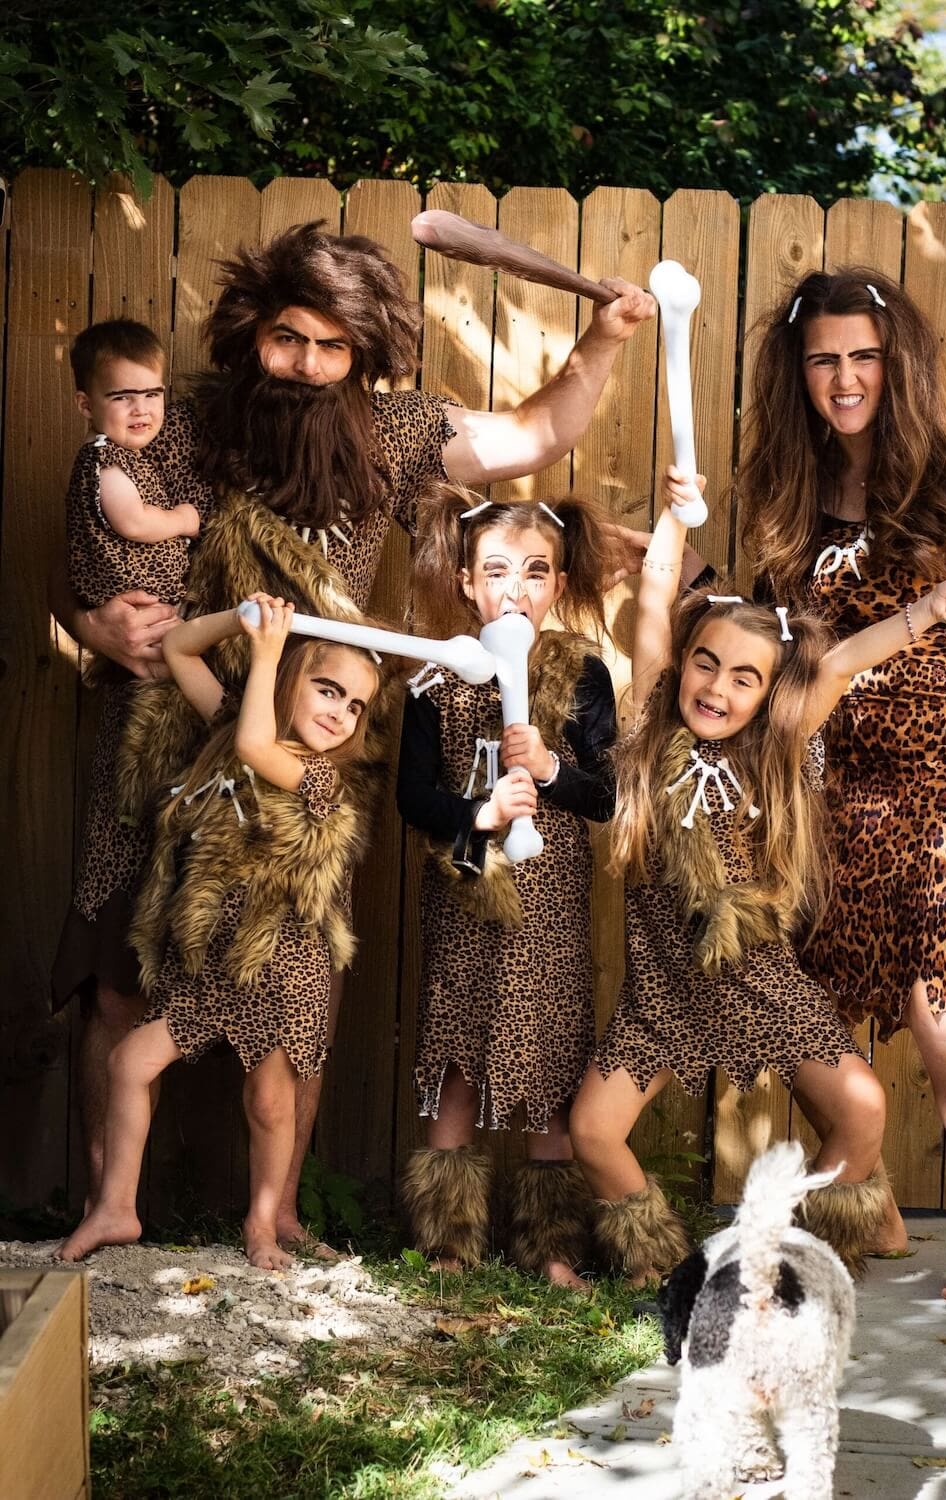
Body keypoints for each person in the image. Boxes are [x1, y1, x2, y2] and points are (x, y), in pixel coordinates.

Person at [51, 219, 656, 1251]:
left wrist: (600, 343)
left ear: (365, 355)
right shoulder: (190, 421)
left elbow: (529, 438)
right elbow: (92, 520)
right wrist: (94, 613)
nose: (309, 366)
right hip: (167, 728)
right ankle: (112, 1213)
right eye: (292, 339)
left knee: (297, 980)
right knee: (118, 970)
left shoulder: (392, 429)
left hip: (310, 745)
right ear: (254, 332)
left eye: (335, 348)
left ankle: (276, 1211)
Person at [569, 489, 946, 1284]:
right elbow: (656, 600)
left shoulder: (777, 749)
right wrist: (673, 518)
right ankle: (668, 1267)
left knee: (862, 1106)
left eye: (745, 678)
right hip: (663, 993)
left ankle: (780, 1246)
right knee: (592, 1129)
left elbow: (840, 663)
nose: (718, 688)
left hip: (761, 983)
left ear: (767, 695)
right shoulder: (650, 730)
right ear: (685, 663)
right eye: (707, 663)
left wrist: (930, 608)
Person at [740, 266, 946, 1309]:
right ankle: (868, 1203)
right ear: (795, 372)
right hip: (833, 773)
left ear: (896, 363)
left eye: (863, 357)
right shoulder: (787, 495)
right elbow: (776, 654)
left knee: (937, 1011)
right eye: (823, 360)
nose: (844, 379)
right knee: (814, 988)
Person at [58, 593, 381, 1269]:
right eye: (328, 690)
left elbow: (255, 745)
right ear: (294, 680)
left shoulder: (322, 780)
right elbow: (178, 648)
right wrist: (246, 622)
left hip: (281, 968)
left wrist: (265, 656)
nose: (340, 713)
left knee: (268, 1103)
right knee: (128, 1062)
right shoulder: (235, 723)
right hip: (210, 970)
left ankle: (263, 1223)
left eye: (355, 706)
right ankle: (118, 1206)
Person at [396, 488, 617, 1287]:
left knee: (550, 1066)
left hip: (550, 902)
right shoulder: (437, 681)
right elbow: (411, 798)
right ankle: (449, 1241)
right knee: (456, 1055)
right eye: (496, 572)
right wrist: (478, 810)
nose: (514, 590)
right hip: (465, 894)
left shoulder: (583, 674)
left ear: (556, 586)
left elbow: (606, 793)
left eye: (534, 573)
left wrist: (551, 767)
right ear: (465, 582)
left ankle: (552, 1247)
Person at [66, 319, 202, 628]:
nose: (140, 409)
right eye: (122, 397)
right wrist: (182, 519)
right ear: (86, 406)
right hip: (136, 599)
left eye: (152, 394)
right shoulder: (106, 460)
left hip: (148, 597)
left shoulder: (118, 451)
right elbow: (133, 522)